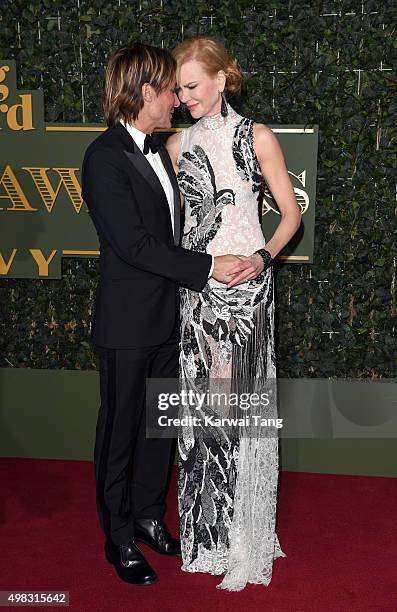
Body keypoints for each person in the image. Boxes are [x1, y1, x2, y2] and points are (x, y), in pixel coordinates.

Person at [81, 42, 256, 586]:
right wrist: (208, 266)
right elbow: (133, 245)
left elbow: (177, 229)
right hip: (127, 322)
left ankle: (150, 516)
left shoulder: (161, 151)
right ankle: (118, 538)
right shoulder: (105, 156)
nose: (177, 100)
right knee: (120, 429)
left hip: (169, 318)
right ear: (144, 93)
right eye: (169, 88)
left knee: (159, 426)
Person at [166, 36, 301, 591]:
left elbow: (291, 218)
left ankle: (246, 537)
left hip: (248, 293)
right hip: (197, 296)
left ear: (223, 79)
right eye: (178, 89)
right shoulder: (175, 147)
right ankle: (207, 539)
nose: (184, 97)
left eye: (193, 87)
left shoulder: (258, 138)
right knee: (201, 419)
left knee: (240, 416)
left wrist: (262, 258)